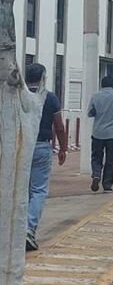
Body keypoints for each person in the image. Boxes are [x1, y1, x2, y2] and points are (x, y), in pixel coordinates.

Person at [24, 63, 68, 251]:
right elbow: (59, 126)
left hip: (21, 148)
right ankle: (29, 229)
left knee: (21, 190)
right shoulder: (50, 98)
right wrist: (63, 148)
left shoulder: (19, 95)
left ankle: (17, 229)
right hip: (41, 146)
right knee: (38, 190)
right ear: (43, 78)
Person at [87, 75, 113, 193]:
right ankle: (107, 185)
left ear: (101, 84)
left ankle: (96, 174)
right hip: (112, 133)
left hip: (97, 133)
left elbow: (89, 113)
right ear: (112, 85)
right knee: (110, 159)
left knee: (96, 157)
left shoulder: (95, 96)